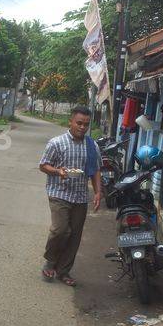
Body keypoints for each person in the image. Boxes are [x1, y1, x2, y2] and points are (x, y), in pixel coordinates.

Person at [38, 106, 102, 286]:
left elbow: (95, 170)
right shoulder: (56, 143)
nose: (82, 127)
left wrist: (98, 192)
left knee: (74, 235)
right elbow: (43, 165)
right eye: (79, 123)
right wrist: (58, 171)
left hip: (80, 196)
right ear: (70, 122)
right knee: (60, 230)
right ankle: (50, 260)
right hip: (59, 193)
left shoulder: (92, 145)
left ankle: (63, 271)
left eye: (86, 124)